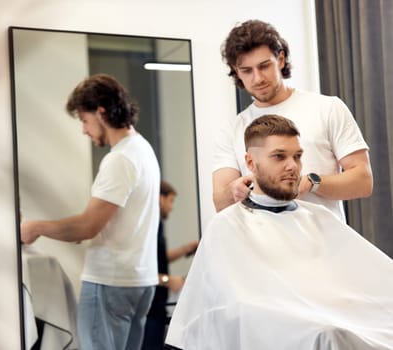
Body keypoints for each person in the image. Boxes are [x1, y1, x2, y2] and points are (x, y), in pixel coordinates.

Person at [165, 115, 393, 350]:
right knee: (329, 335)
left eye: (298, 156)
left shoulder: (318, 217)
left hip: (337, 319)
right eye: (279, 156)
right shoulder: (228, 226)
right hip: (292, 331)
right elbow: (235, 306)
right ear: (250, 163)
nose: (293, 166)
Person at [21, 73, 161, 350]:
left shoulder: (119, 159)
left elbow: (87, 227)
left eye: (84, 120)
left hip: (111, 282)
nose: (84, 130)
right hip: (140, 281)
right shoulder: (143, 149)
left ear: (101, 111)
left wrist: (34, 228)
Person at [212, 19, 373, 221]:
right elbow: (220, 202)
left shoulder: (328, 108)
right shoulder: (232, 130)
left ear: (280, 60)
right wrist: (233, 191)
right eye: (247, 71)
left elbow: (363, 181)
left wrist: (312, 183)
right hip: (263, 247)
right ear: (236, 72)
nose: (258, 78)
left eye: (264, 66)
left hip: (325, 246)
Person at [141, 180, 198, 350]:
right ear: (160, 198)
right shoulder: (147, 226)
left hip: (156, 309)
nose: (171, 207)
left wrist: (186, 249)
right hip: (148, 310)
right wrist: (167, 280)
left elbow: (157, 259)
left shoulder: (156, 225)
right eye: (171, 201)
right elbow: (138, 268)